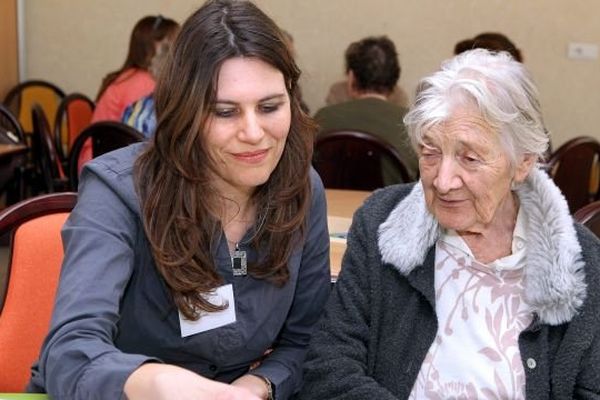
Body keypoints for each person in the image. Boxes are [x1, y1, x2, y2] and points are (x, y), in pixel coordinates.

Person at [28, 1, 330, 399]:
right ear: (184, 112)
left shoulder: (302, 190)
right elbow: (69, 355)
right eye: (225, 112)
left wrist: (255, 387)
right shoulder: (119, 192)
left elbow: (307, 340)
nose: (254, 132)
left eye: (270, 106)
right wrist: (161, 383)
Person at [299, 49, 600, 399]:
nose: (442, 181)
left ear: (523, 163)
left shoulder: (582, 263)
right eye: (429, 152)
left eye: (469, 158)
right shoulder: (381, 222)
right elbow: (329, 364)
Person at [314, 36, 418, 183]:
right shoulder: (412, 124)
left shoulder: (324, 117)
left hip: (331, 203)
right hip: (392, 205)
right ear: (395, 80)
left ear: (351, 78)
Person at [92, 15, 179, 123]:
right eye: (169, 46)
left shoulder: (131, 76)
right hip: (113, 139)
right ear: (148, 49)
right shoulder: (144, 84)